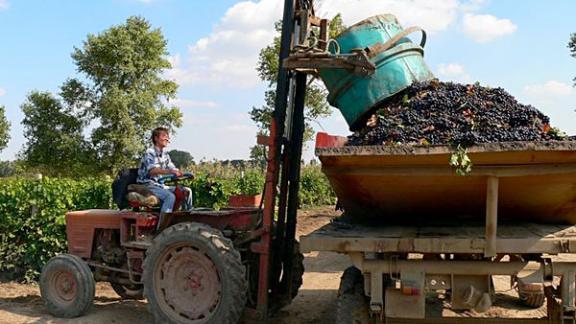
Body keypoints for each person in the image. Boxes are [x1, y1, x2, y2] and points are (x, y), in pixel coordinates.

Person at [137, 127, 193, 213]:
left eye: (168, 137)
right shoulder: (150, 152)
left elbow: (172, 167)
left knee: (187, 191)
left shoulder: (165, 154)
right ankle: (163, 224)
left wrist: (181, 173)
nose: (167, 138)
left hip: (159, 185)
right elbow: (152, 171)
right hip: (147, 184)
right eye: (164, 136)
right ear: (156, 138)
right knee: (170, 197)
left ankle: (187, 216)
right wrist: (171, 172)